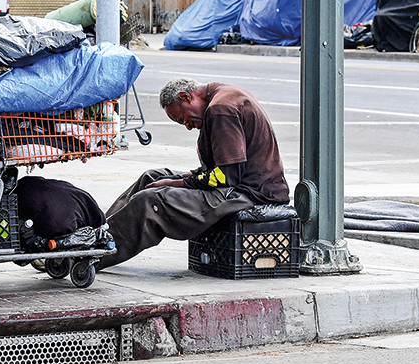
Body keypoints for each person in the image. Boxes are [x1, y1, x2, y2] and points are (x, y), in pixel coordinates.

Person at [98, 77, 290, 269]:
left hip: (250, 193)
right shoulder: (219, 96)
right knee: (153, 177)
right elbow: (221, 168)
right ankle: (98, 232)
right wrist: (177, 179)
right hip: (237, 184)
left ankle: (96, 255)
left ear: (186, 97)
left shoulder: (220, 109)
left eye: (183, 119)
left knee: (151, 201)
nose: (188, 126)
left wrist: (178, 184)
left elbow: (226, 176)